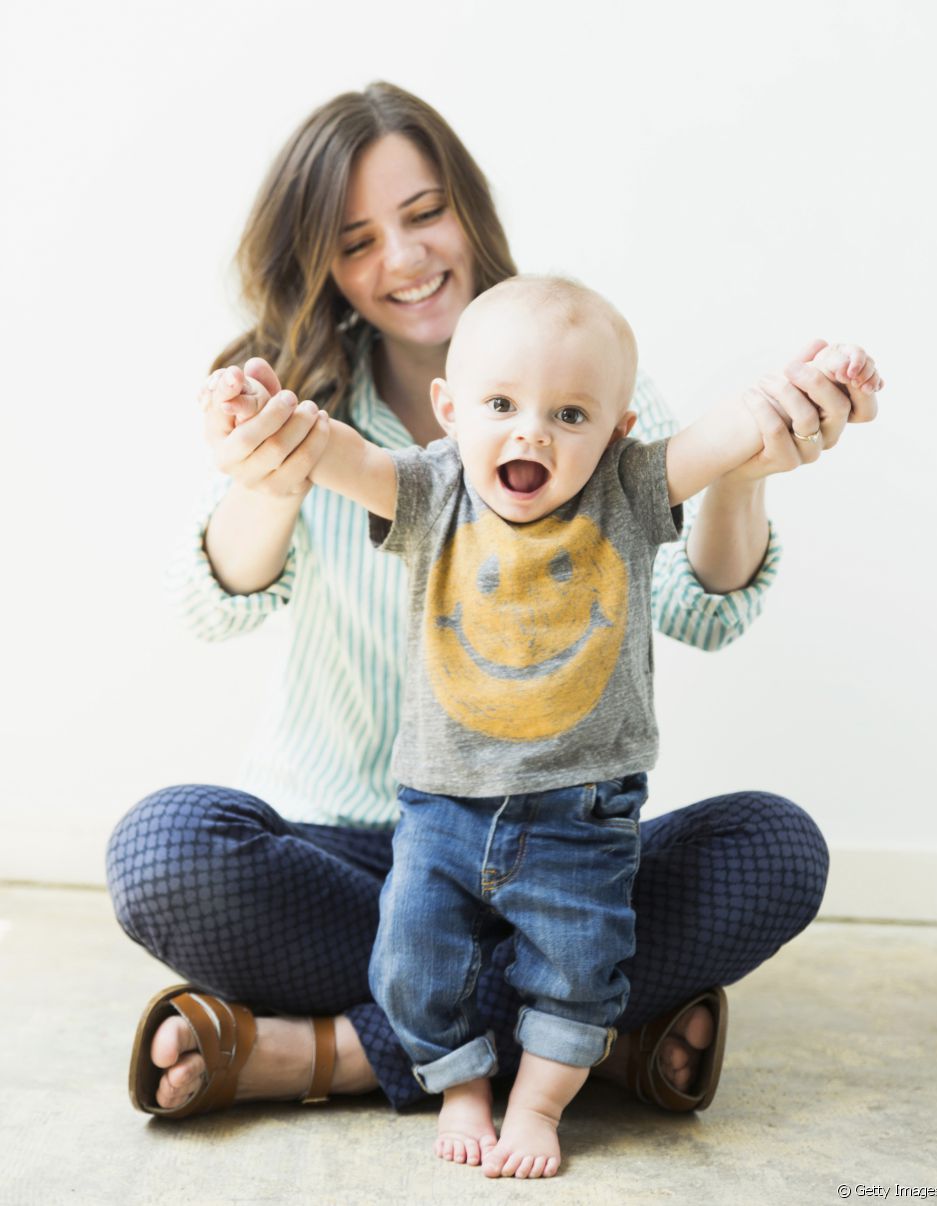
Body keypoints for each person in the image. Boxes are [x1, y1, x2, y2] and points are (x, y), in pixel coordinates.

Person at [107, 82, 881, 1136]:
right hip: (357, 851)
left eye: (423, 213)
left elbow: (700, 613)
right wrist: (271, 477)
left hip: (559, 839)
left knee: (772, 846)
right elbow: (215, 605)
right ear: (322, 263)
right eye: (358, 239)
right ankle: (587, 1035)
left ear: (467, 209)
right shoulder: (315, 415)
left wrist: (745, 468)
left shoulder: (591, 384)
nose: (405, 258)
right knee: (164, 848)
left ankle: (311, 1052)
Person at [203, 274, 880, 1178]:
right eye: (499, 405)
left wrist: (815, 382)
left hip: (582, 817)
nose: (530, 432)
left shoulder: (628, 489)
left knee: (578, 961)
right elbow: (329, 451)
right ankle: (461, 1083)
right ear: (448, 411)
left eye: (569, 415)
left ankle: (537, 1100)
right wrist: (261, 412)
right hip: (437, 813)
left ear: (617, 430)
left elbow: (732, 429)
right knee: (413, 957)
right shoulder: (427, 490)